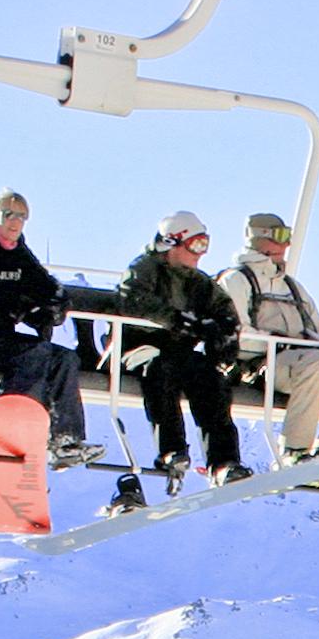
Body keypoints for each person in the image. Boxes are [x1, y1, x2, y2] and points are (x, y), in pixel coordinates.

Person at [0, 191, 99, 470]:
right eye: (8, 215)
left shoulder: (18, 252)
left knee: (65, 358)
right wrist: (17, 303)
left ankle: (65, 440)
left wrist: (56, 302)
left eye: (21, 217)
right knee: (34, 354)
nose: (15, 222)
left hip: (4, 335)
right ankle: (8, 424)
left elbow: (42, 281)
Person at [217, 212, 319, 466]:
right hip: (263, 367)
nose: (286, 243)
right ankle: (294, 451)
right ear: (259, 238)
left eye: (288, 236)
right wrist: (284, 344)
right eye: (280, 236)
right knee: (317, 362)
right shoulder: (236, 280)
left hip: (307, 365)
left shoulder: (291, 287)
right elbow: (237, 336)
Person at [113, 211, 248, 494]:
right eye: (195, 245)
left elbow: (223, 309)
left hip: (178, 351)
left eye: (205, 244)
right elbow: (132, 300)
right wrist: (177, 320)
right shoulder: (145, 269)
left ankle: (223, 462)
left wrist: (224, 334)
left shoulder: (198, 281)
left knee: (210, 379)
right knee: (160, 370)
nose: (201, 253)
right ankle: (171, 450)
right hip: (139, 347)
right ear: (172, 243)